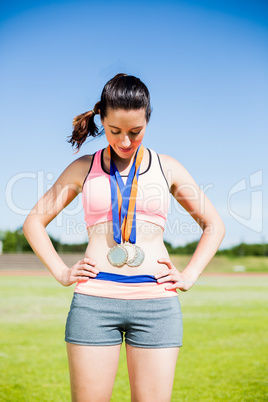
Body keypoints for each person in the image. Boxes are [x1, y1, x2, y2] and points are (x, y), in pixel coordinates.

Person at [23, 73, 225, 402]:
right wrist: (62, 272)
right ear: (101, 118)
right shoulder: (83, 168)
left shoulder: (167, 167)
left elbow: (214, 225)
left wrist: (188, 275)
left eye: (136, 131)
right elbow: (33, 222)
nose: (126, 141)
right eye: (115, 131)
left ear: (148, 120)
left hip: (157, 305)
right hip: (93, 304)